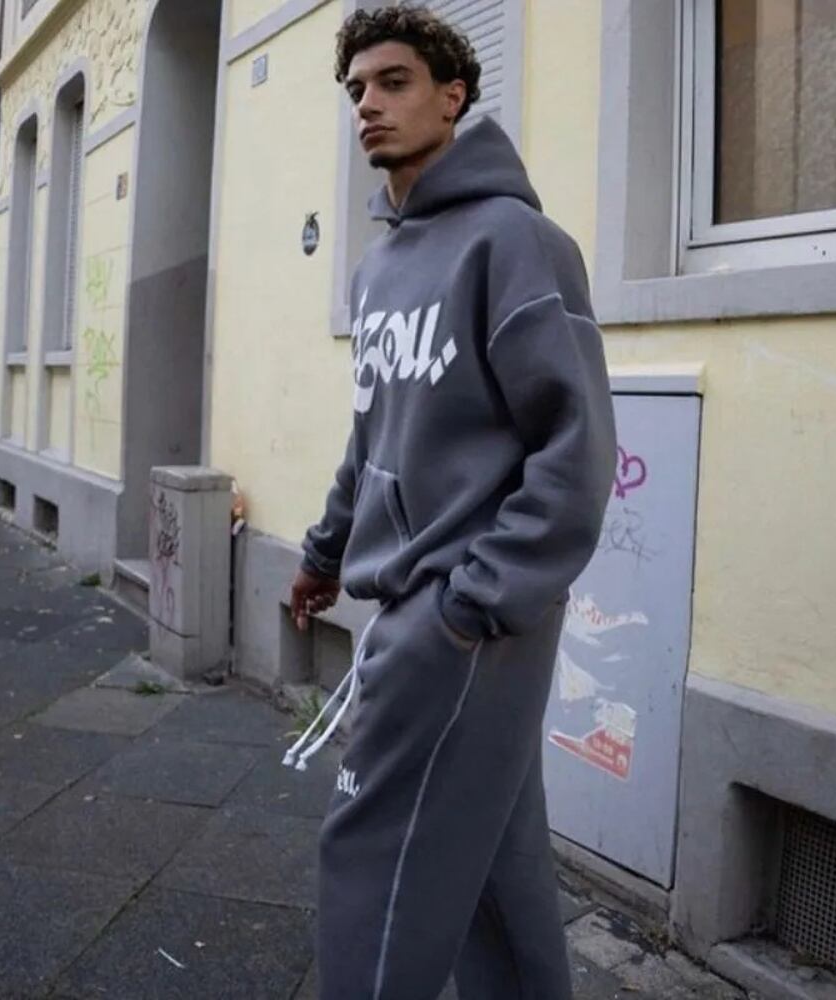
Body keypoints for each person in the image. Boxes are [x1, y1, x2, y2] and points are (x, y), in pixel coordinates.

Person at [286, 6, 616, 998]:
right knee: (493, 867)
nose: (368, 105)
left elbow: (576, 445)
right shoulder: (379, 265)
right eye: (356, 90)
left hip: (464, 614)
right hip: (418, 599)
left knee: (373, 857)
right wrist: (324, 553)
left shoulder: (518, 244)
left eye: (393, 82)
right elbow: (374, 436)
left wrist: (475, 602)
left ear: (452, 96)